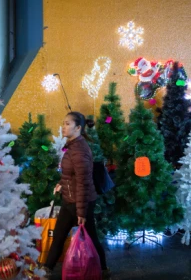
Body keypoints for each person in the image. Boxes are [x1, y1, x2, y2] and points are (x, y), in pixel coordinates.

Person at [41, 111, 110, 279]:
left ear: (78, 128)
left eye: (67, 124)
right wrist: (61, 184)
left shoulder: (79, 150)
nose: (63, 127)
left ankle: (103, 270)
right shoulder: (73, 146)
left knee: (91, 237)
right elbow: (71, 175)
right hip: (70, 199)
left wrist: (81, 212)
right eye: (63, 123)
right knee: (58, 236)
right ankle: (46, 270)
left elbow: (83, 183)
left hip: (80, 202)